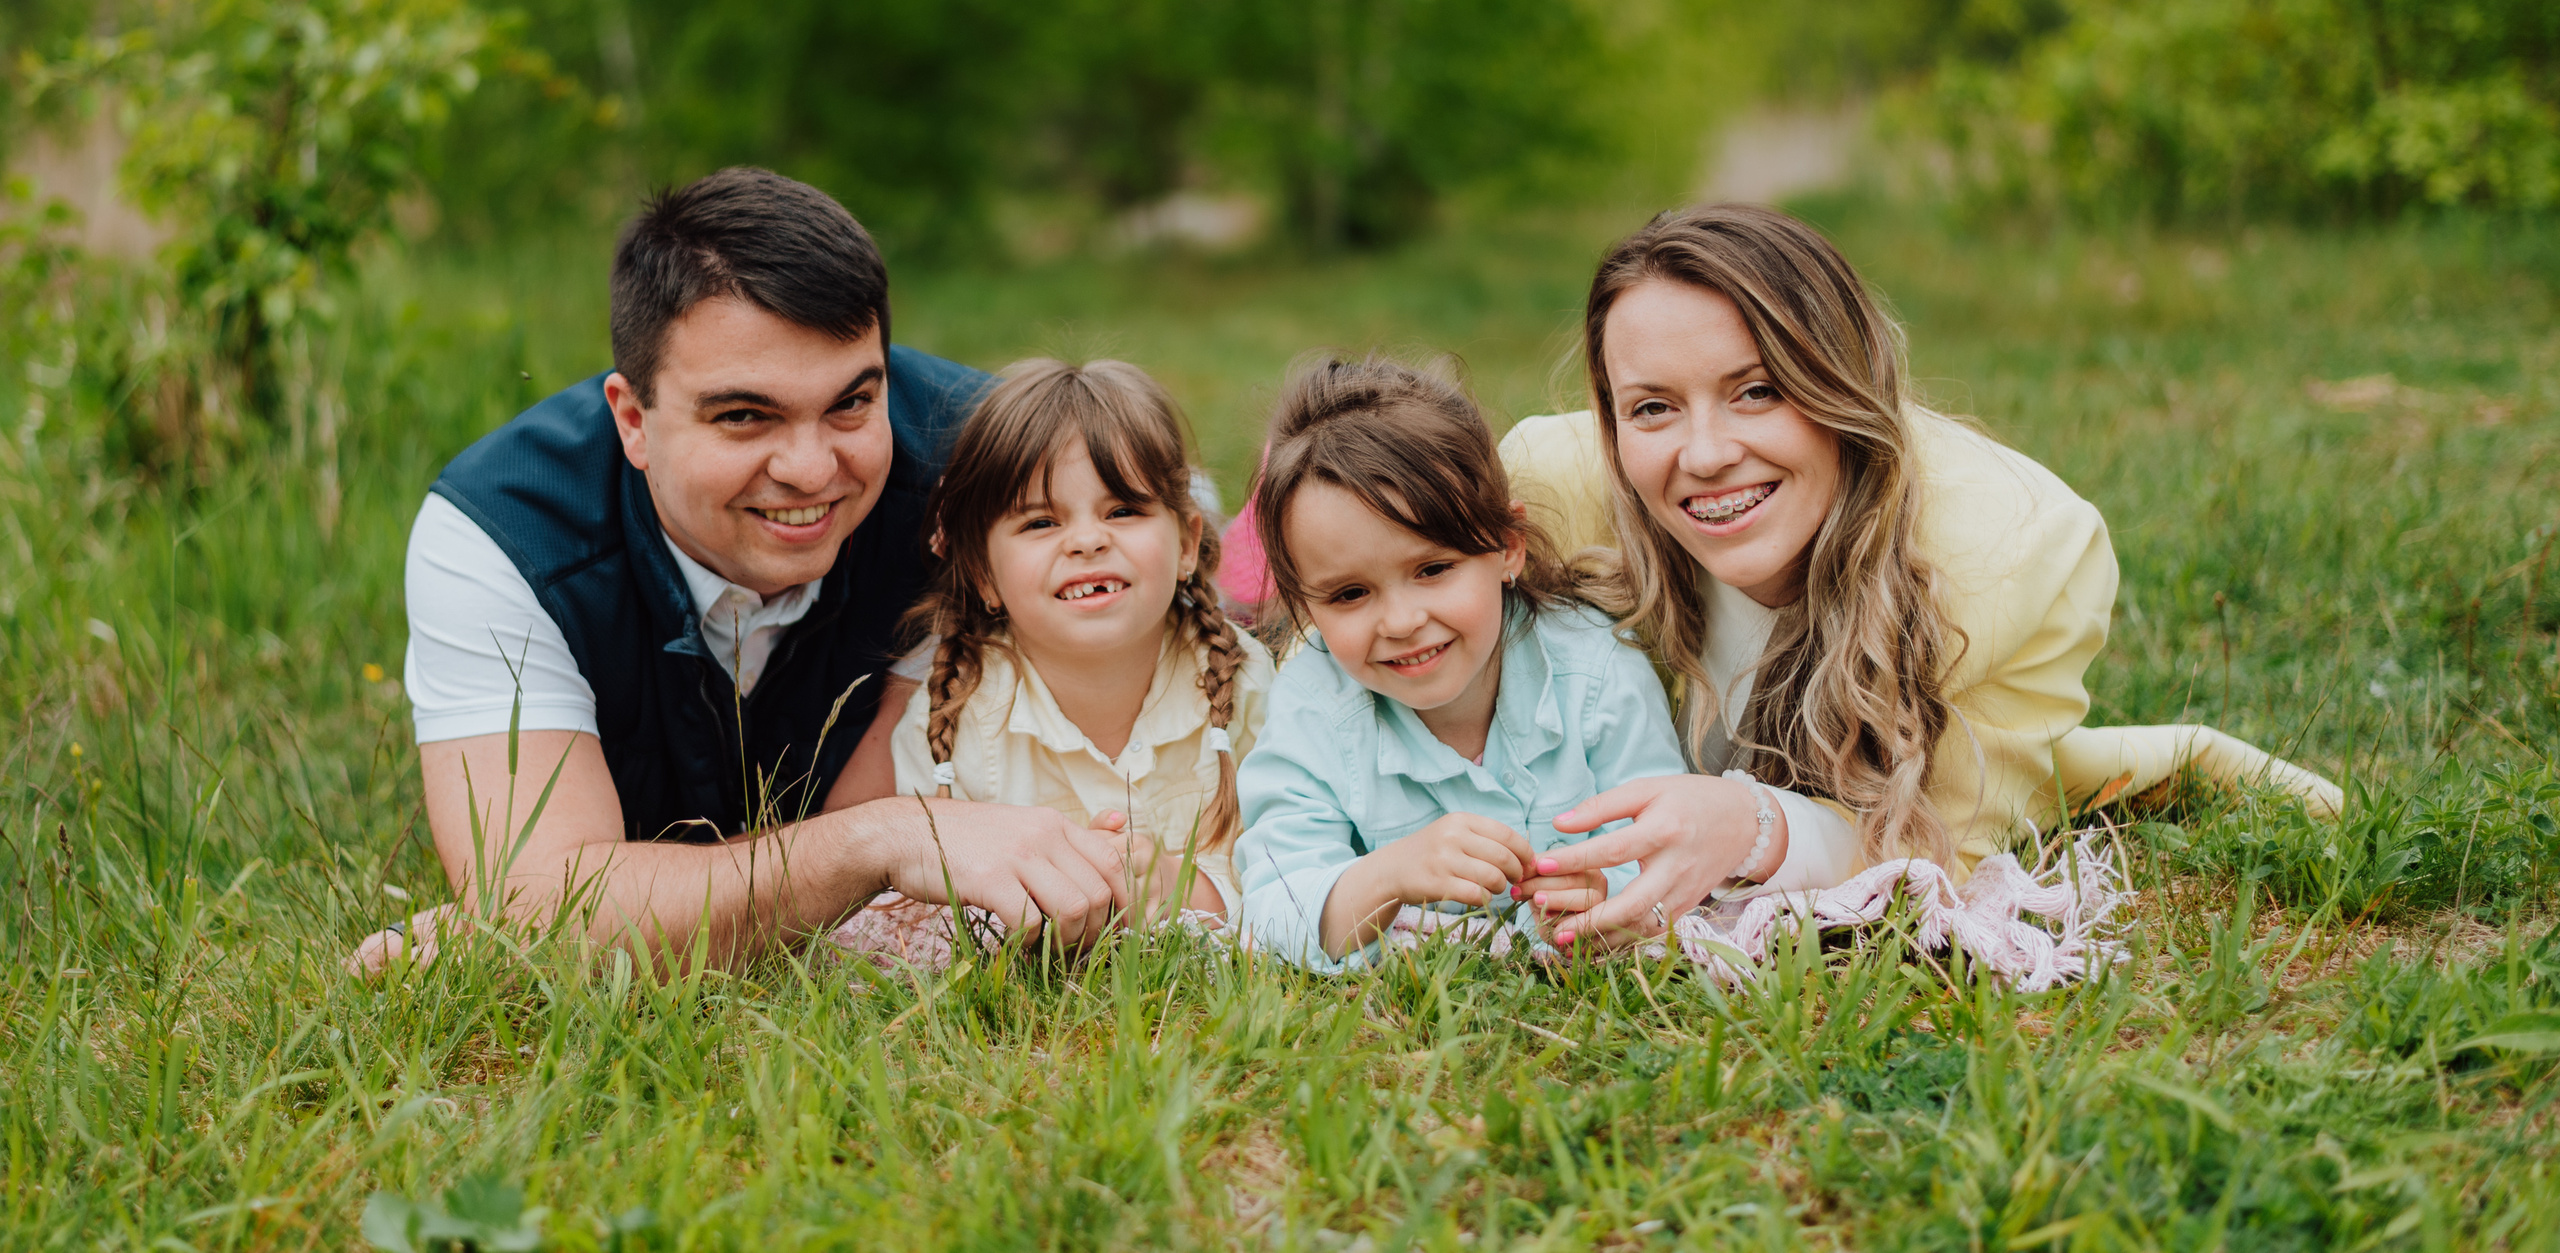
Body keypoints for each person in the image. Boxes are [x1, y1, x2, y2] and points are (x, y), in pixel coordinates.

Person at [349, 169, 1140, 973]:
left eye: (851, 403)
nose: (811, 468)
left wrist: (615, 902)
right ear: (633, 418)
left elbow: (1180, 531)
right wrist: (885, 837)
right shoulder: (502, 532)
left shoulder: (985, 463)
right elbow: (543, 908)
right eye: (743, 416)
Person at [1504, 203, 2346, 949]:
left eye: (1757, 391)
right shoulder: (1548, 495)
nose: (1707, 453)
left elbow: (1936, 848)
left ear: (1843, 384)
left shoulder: (2015, 555)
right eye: (1652, 407)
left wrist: (1754, 825)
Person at [1233, 357, 1686, 970]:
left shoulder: (1597, 668)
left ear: (1507, 546)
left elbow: (1669, 846)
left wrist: (1605, 898)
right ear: (1305, 604)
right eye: (1349, 594)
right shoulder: (1314, 704)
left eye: (1432, 569)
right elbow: (1273, 907)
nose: (1400, 622)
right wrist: (1387, 876)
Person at [854, 358, 1275, 941]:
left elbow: (1297, 868)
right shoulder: (953, 714)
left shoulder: (1249, 686)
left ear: (1186, 542)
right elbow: (924, 901)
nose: (1087, 540)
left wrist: (1188, 888)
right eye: (1040, 523)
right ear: (983, 572)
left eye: (1122, 511)